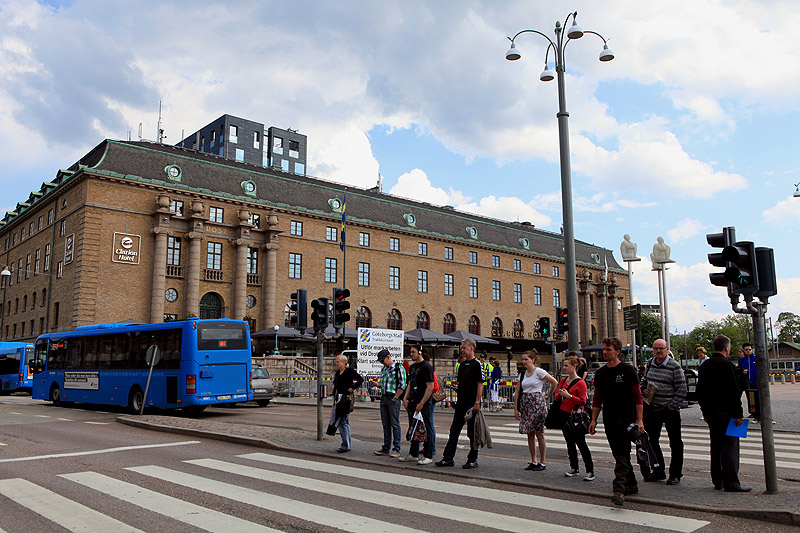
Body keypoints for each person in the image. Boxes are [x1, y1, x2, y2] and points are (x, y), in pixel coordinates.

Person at [589, 337, 644, 506]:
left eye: (608, 349)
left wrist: (640, 420)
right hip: (609, 419)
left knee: (621, 454)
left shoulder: (627, 370)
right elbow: (597, 399)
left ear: (617, 351)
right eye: (604, 350)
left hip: (626, 419)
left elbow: (638, 396)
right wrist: (593, 420)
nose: (605, 352)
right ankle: (632, 484)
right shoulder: (601, 373)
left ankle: (619, 490)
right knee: (619, 453)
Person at [697, 334, 750, 492]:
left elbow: (700, 391)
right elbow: (733, 392)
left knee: (716, 446)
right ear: (727, 348)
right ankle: (731, 482)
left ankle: (717, 480)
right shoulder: (728, 366)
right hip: (727, 413)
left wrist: (705, 411)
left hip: (712, 413)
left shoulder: (705, 366)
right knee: (730, 448)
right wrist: (739, 413)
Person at [640, 338, 687, 486]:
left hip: (669, 410)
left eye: (661, 348)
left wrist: (671, 406)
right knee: (652, 441)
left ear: (667, 349)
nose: (658, 351)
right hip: (653, 408)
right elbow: (643, 381)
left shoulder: (674, 366)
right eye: (656, 349)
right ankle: (658, 470)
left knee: (675, 443)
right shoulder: (650, 364)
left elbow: (682, 389)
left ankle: (675, 474)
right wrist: (644, 389)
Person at [436, 338, 484, 469]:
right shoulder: (462, 365)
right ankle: (448, 458)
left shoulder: (477, 364)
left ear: (471, 349)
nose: (461, 350)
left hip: (471, 404)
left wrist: (477, 402)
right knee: (454, 431)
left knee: (472, 433)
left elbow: (480, 384)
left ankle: (473, 459)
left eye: (464, 348)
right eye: (461, 348)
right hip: (461, 402)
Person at [513, 349, 558, 471]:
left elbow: (554, 382)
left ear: (532, 360)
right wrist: (516, 408)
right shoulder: (522, 374)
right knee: (530, 433)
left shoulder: (538, 371)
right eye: (522, 359)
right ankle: (534, 460)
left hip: (537, 403)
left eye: (526, 359)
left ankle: (542, 462)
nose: (524, 362)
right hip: (526, 404)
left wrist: (548, 395)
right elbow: (517, 392)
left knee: (539, 432)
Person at [556, 352, 594, 481]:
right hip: (564, 414)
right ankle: (574, 468)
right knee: (569, 443)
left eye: (566, 365)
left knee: (581, 443)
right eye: (564, 365)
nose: (564, 368)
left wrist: (569, 396)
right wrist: (561, 394)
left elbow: (583, 401)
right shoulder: (563, 380)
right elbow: (556, 396)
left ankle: (590, 470)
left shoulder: (580, 383)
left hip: (576, 415)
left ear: (574, 366)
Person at [401, 345, 435, 465]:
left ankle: (428, 455)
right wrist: (405, 398)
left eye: (413, 352)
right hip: (413, 400)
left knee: (426, 428)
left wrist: (422, 403)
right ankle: (413, 453)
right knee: (414, 427)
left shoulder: (426, 367)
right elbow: (410, 383)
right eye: (410, 352)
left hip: (424, 402)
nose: (411, 354)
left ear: (419, 352)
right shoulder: (413, 367)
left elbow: (430, 386)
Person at [374, 349, 406, 458]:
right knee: (386, 424)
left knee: (395, 424)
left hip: (392, 398)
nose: (382, 363)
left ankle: (396, 448)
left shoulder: (398, 368)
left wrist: (396, 397)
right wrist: (377, 385)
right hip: (384, 398)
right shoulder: (384, 369)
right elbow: (385, 384)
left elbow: (402, 384)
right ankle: (386, 448)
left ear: (388, 357)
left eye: (383, 360)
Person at [331, 354, 363, 453]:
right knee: (344, 421)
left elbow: (360, 379)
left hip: (345, 398)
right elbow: (336, 385)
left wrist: (352, 388)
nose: (336, 364)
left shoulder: (349, 371)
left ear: (344, 363)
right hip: (338, 398)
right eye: (336, 362)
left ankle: (346, 444)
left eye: (338, 362)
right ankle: (347, 443)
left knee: (343, 422)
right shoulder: (337, 372)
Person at [738, 343, 760, 422]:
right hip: (747, 382)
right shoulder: (742, 360)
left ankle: (759, 415)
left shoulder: (755, 358)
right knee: (751, 399)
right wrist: (742, 371)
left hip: (755, 381)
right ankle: (754, 414)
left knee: (757, 399)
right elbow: (739, 369)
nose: (748, 351)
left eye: (749, 349)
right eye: (746, 350)